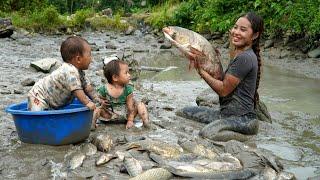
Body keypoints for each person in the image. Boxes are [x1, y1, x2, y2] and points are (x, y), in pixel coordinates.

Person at [181, 12, 264, 142]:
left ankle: (247, 139)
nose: (236, 32)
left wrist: (201, 71)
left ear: (255, 35)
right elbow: (224, 76)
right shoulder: (239, 53)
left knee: (207, 134)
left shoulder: (245, 58)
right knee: (183, 113)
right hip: (225, 115)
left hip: (243, 120)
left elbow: (223, 90)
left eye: (243, 30)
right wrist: (207, 56)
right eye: (235, 27)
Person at [28, 36, 100, 113]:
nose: (91, 59)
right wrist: (87, 102)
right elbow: (77, 90)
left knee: (49, 116)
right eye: (89, 55)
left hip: (51, 100)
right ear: (78, 59)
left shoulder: (80, 72)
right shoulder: (70, 71)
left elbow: (87, 88)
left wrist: (97, 99)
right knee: (37, 116)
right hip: (39, 96)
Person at [95, 57, 149, 129]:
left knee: (140, 105)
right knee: (96, 108)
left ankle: (146, 123)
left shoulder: (128, 89)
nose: (129, 75)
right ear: (115, 78)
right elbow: (100, 100)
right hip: (110, 115)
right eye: (126, 73)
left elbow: (130, 108)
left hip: (124, 115)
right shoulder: (103, 89)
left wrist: (130, 120)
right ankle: (92, 125)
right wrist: (102, 102)